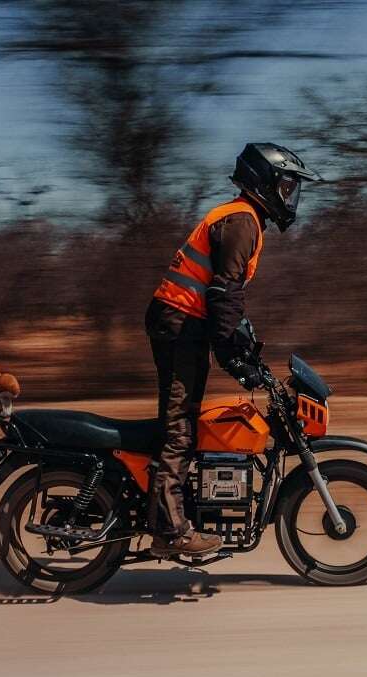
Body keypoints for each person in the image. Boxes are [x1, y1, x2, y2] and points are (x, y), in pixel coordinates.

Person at [144, 142, 321, 556]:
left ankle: (174, 508)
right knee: (179, 423)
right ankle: (170, 531)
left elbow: (227, 298)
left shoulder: (243, 219)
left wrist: (240, 344)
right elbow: (223, 293)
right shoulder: (242, 220)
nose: (289, 196)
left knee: (183, 419)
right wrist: (229, 353)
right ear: (263, 182)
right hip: (179, 324)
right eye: (285, 185)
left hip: (183, 324)